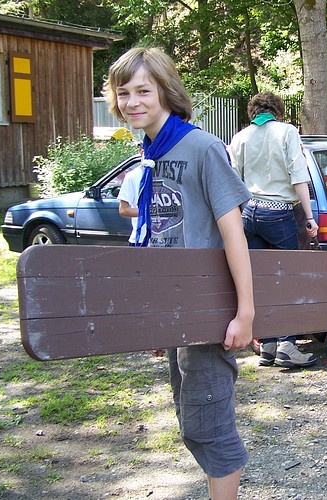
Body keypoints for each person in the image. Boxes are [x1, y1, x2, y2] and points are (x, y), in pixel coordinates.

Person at [104, 47, 254, 500]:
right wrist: (157, 318)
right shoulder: (150, 153)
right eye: (123, 93)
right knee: (191, 422)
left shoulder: (202, 147)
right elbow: (160, 240)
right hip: (176, 309)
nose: (132, 101)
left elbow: (234, 234)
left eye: (143, 91)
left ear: (166, 91)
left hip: (208, 310)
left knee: (210, 428)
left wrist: (245, 312)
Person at [228, 91, 319, 368]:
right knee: (286, 279)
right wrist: (309, 217)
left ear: (253, 112)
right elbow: (299, 175)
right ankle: (287, 345)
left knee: (261, 280)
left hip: (249, 213)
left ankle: (267, 345)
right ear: (277, 111)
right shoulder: (287, 132)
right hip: (279, 213)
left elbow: (234, 180)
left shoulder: (240, 137)